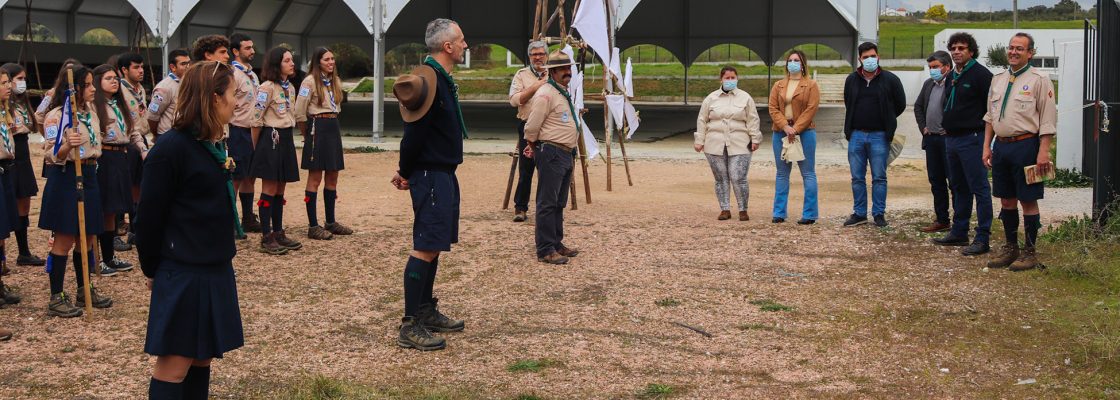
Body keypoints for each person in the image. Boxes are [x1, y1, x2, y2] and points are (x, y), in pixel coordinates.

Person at [137, 60, 243, 399]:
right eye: (232, 94)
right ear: (213, 98)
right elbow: (148, 219)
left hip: (213, 267)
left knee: (202, 356)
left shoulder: (210, 144)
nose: (236, 100)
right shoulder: (171, 150)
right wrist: (153, 268)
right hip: (183, 270)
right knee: (175, 362)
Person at [390, 18, 468, 351]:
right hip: (431, 174)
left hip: (443, 172)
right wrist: (405, 171)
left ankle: (424, 310)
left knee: (434, 243)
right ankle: (410, 325)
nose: (466, 44)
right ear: (447, 46)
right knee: (424, 245)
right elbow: (414, 136)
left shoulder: (441, 78)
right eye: (461, 40)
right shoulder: (427, 81)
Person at [40, 65, 112, 318]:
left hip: (90, 175)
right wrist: (64, 147)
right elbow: (49, 155)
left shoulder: (90, 112)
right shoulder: (57, 116)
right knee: (65, 239)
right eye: (89, 85)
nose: (93, 89)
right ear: (75, 89)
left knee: (88, 236)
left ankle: (85, 288)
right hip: (67, 177)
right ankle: (56, 296)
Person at [982, 33, 1057, 271]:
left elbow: (1047, 119)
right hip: (1002, 146)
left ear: (1030, 53)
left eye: (1020, 49)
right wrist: (987, 146)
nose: (1014, 52)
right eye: (1011, 48)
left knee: (1028, 199)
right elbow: (990, 117)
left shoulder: (1039, 79)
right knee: (1006, 198)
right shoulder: (998, 79)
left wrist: (1043, 152)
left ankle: (1030, 251)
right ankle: (1011, 247)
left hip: (1027, 146)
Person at [931, 32, 995, 256]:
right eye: (953, 48)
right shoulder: (951, 76)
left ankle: (983, 237)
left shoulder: (981, 75)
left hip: (973, 138)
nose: (957, 52)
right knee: (958, 187)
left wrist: (988, 142)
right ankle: (959, 231)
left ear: (971, 51)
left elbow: (991, 110)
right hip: (952, 139)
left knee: (979, 188)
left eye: (961, 48)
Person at [522, 50, 582, 265]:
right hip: (553, 152)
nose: (568, 72)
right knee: (548, 202)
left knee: (558, 202)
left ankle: (556, 243)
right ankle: (545, 248)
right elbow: (532, 126)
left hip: (564, 152)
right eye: (563, 69)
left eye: (569, 68)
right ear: (553, 72)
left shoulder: (561, 92)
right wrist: (533, 145)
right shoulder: (546, 94)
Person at [842, 42, 906, 228]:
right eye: (865, 57)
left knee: (879, 177)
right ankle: (859, 213)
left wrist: (887, 119)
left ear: (878, 57)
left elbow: (900, 104)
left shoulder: (890, 79)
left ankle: (879, 214)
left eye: (873, 56)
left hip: (880, 136)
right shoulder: (852, 80)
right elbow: (848, 102)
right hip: (857, 135)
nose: (870, 60)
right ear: (860, 59)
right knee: (857, 177)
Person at [295, 47, 352, 240]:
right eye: (327, 59)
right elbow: (300, 112)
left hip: (332, 126)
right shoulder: (309, 81)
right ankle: (313, 226)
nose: (331, 62)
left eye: (332, 59)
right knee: (315, 177)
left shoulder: (334, 81)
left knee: (333, 175)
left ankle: (330, 221)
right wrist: (307, 134)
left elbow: (338, 104)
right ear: (317, 61)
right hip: (317, 127)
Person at [249, 47, 302, 255]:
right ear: (276, 64)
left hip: (286, 137)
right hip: (271, 138)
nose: (291, 63)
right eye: (287, 60)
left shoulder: (290, 88)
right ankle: (266, 236)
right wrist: (256, 148)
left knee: (281, 187)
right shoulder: (266, 88)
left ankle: (279, 232)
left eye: (291, 59)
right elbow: (256, 119)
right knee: (269, 188)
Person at [694, 66, 762, 221]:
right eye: (727, 78)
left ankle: (743, 209)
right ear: (721, 79)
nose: (730, 80)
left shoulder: (745, 98)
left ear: (737, 79)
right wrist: (699, 140)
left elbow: (753, 120)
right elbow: (702, 120)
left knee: (738, 176)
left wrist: (755, 139)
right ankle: (724, 208)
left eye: (733, 78)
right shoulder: (711, 98)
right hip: (714, 143)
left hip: (740, 142)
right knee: (721, 178)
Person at [91, 64, 141, 275]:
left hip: (122, 155)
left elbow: (134, 130)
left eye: (115, 78)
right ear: (97, 82)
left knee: (112, 209)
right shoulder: (93, 106)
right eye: (108, 78)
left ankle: (110, 257)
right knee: (101, 208)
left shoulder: (120, 104)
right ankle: (96, 259)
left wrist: (144, 151)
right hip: (104, 156)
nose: (114, 81)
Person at [767, 50, 820, 225]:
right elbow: (773, 108)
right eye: (790, 60)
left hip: (805, 133)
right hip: (780, 132)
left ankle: (810, 214)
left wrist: (795, 129)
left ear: (803, 63)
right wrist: (785, 126)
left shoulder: (811, 85)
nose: (793, 63)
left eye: (796, 60)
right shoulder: (778, 85)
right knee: (782, 173)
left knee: (808, 173)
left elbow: (811, 109)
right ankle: (779, 212)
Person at [0, 63, 45, 266]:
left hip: (23, 151)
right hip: (11, 152)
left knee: (24, 202)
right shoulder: (4, 105)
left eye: (22, 79)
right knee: (9, 204)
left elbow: (33, 123)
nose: (19, 83)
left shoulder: (22, 102)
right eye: (16, 79)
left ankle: (24, 251)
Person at [507, 40, 549, 222]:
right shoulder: (521, 75)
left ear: (546, 55)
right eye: (534, 54)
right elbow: (515, 100)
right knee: (526, 168)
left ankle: (546, 209)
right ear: (529, 57)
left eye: (541, 54)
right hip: (527, 126)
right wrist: (537, 86)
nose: (538, 57)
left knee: (548, 169)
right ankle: (520, 207)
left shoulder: (555, 73)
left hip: (549, 127)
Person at [914, 51, 954, 233]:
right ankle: (942, 219)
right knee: (936, 180)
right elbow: (918, 107)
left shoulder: (954, 83)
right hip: (931, 140)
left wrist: (952, 128)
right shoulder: (929, 84)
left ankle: (960, 220)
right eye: (930, 67)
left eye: (936, 67)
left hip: (948, 140)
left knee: (954, 181)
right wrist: (923, 127)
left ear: (947, 66)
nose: (933, 71)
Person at [228, 33, 263, 235]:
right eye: (247, 48)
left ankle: (248, 216)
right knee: (236, 177)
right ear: (236, 51)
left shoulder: (251, 73)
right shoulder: (232, 74)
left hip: (253, 131)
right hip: (238, 131)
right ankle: (231, 220)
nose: (252, 51)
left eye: (252, 47)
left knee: (251, 176)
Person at [116, 52, 149, 251]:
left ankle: (135, 229)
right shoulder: (119, 90)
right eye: (136, 67)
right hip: (126, 141)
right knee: (123, 186)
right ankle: (116, 230)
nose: (141, 70)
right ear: (124, 70)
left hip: (141, 139)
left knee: (139, 185)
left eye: (142, 67)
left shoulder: (140, 90)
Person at [0, 69, 24, 310]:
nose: (9, 87)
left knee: (3, 230)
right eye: (4, 83)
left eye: (9, 82)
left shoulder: (5, 111)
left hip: (7, 168)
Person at [148, 50, 191, 142]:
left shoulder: (187, 83)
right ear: (173, 67)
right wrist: (158, 135)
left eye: (189, 63)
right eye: (183, 64)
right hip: (168, 137)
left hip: (184, 137)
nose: (188, 67)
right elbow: (152, 117)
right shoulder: (164, 88)